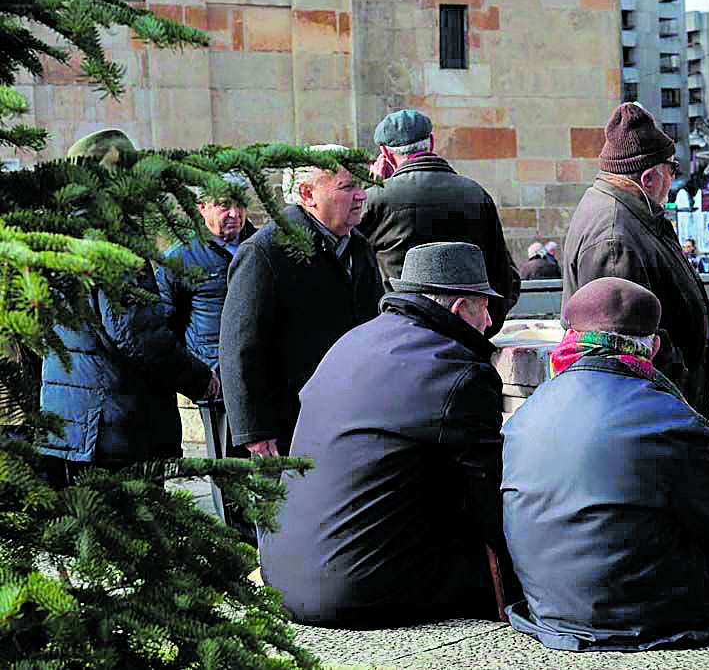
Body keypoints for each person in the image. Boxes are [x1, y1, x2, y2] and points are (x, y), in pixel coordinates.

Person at [259, 242, 519, 628]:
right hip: (354, 589)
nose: (488, 322)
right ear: (459, 308)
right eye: (485, 307)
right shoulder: (457, 371)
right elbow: (493, 496)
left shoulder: (353, 341)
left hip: (280, 572)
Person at [502, 277, 709, 652]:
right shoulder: (672, 419)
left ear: (571, 338)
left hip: (548, 614)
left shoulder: (526, 413)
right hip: (649, 623)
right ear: (652, 346)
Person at [40, 129, 219, 487]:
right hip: (115, 428)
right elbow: (135, 334)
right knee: (136, 536)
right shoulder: (109, 239)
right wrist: (202, 381)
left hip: (71, 426)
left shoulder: (57, 236)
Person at [220, 145, 384, 460]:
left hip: (353, 417)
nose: (361, 195)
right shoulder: (265, 251)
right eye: (348, 186)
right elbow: (240, 346)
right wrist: (254, 430)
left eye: (362, 185)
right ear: (307, 194)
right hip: (290, 426)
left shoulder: (360, 248)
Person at [561, 102, 709, 418]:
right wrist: (680, 393)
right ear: (649, 177)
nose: (673, 179)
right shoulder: (615, 235)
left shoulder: (630, 214)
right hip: (650, 418)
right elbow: (621, 343)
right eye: (671, 169)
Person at [358, 109, 520, 338]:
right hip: (466, 330)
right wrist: (484, 326)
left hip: (400, 331)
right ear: (431, 141)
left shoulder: (376, 199)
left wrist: (373, 188)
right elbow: (502, 275)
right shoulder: (475, 194)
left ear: (385, 152)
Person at [157, 172, 257, 538]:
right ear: (201, 209)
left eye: (239, 205)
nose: (233, 214)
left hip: (261, 371)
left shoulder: (261, 244)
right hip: (217, 380)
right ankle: (238, 538)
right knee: (228, 466)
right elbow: (167, 324)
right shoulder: (180, 257)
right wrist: (198, 376)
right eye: (222, 206)